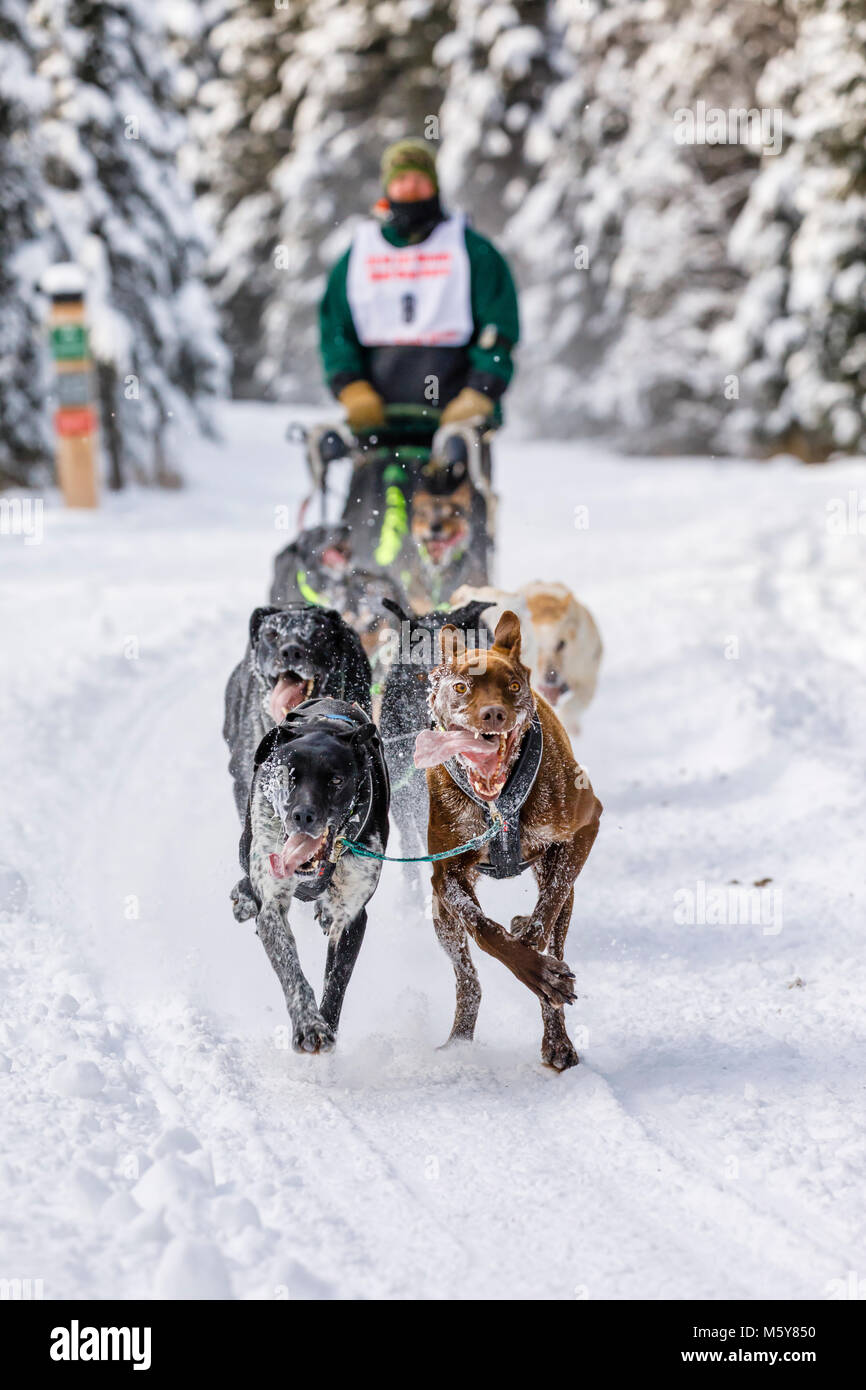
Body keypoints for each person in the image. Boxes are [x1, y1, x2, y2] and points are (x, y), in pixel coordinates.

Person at [318, 138, 519, 436]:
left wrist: (479, 393)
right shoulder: (360, 255)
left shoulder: (472, 252)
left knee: (453, 480)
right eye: (401, 179)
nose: (410, 187)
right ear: (387, 187)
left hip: (456, 423)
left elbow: (498, 328)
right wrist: (351, 387)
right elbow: (335, 329)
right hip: (378, 423)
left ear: (435, 186)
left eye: (419, 179)